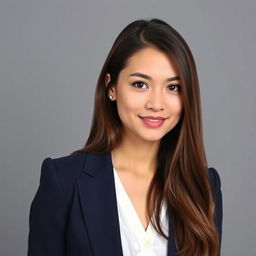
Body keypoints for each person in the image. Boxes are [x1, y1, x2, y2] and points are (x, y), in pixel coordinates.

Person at [27, 18, 223, 256]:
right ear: (111, 88)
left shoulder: (203, 187)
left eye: (173, 87)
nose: (156, 104)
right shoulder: (64, 182)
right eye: (140, 84)